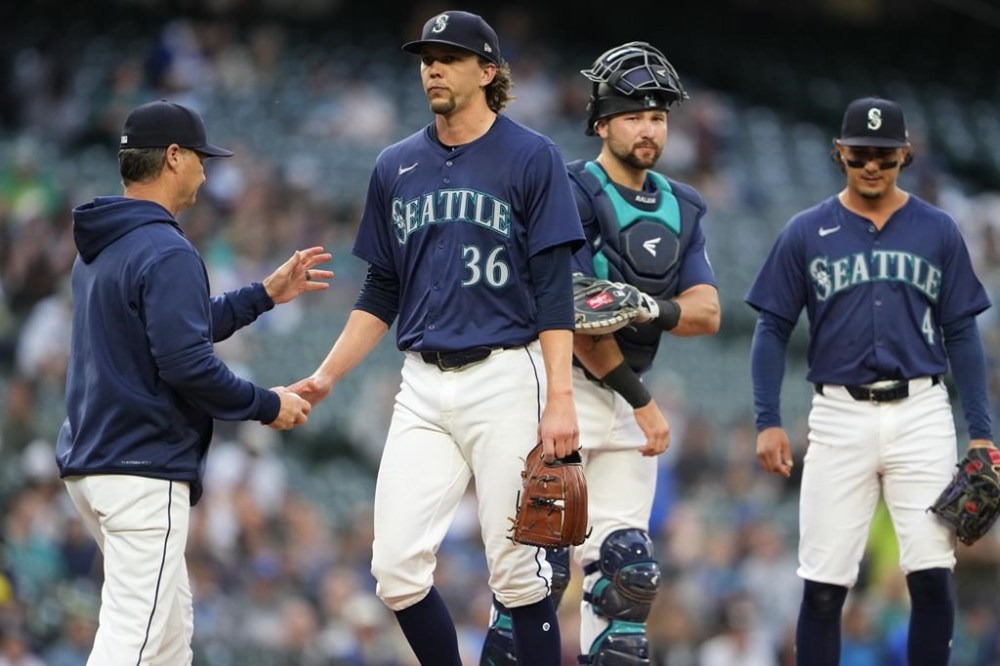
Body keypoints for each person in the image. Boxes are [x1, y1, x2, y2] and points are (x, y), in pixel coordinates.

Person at [288, 10, 584, 666]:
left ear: (488, 72)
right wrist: (327, 375)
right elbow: (381, 292)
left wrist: (560, 396)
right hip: (421, 384)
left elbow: (554, 288)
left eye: (448, 57)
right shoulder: (396, 165)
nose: (433, 68)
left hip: (508, 374)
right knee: (394, 571)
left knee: (519, 576)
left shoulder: (533, 157)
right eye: (426, 57)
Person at [55, 99, 331, 665]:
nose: (207, 172)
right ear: (174, 157)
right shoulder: (164, 247)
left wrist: (262, 296)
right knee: (132, 641)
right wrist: (266, 404)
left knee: (170, 637)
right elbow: (187, 365)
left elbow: (176, 329)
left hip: (97, 462)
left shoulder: (106, 246)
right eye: (201, 158)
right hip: (139, 470)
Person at [481, 41, 721, 665]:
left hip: (626, 396)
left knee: (628, 580)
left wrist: (643, 307)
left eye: (659, 116)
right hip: (559, 392)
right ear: (601, 123)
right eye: (634, 114)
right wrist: (645, 404)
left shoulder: (683, 205)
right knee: (539, 578)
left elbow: (707, 312)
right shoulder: (568, 188)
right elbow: (579, 317)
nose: (649, 128)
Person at [745, 96, 996, 666]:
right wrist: (767, 422)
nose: (872, 165)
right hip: (838, 415)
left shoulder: (938, 230)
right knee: (824, 583)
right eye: (860, 154)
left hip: (922, 412)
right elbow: (770, 330)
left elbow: (962, 333)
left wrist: (980, 432)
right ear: (840, 154)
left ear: (904, 154)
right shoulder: (805, 232)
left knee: (932, 574)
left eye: (884, 154)